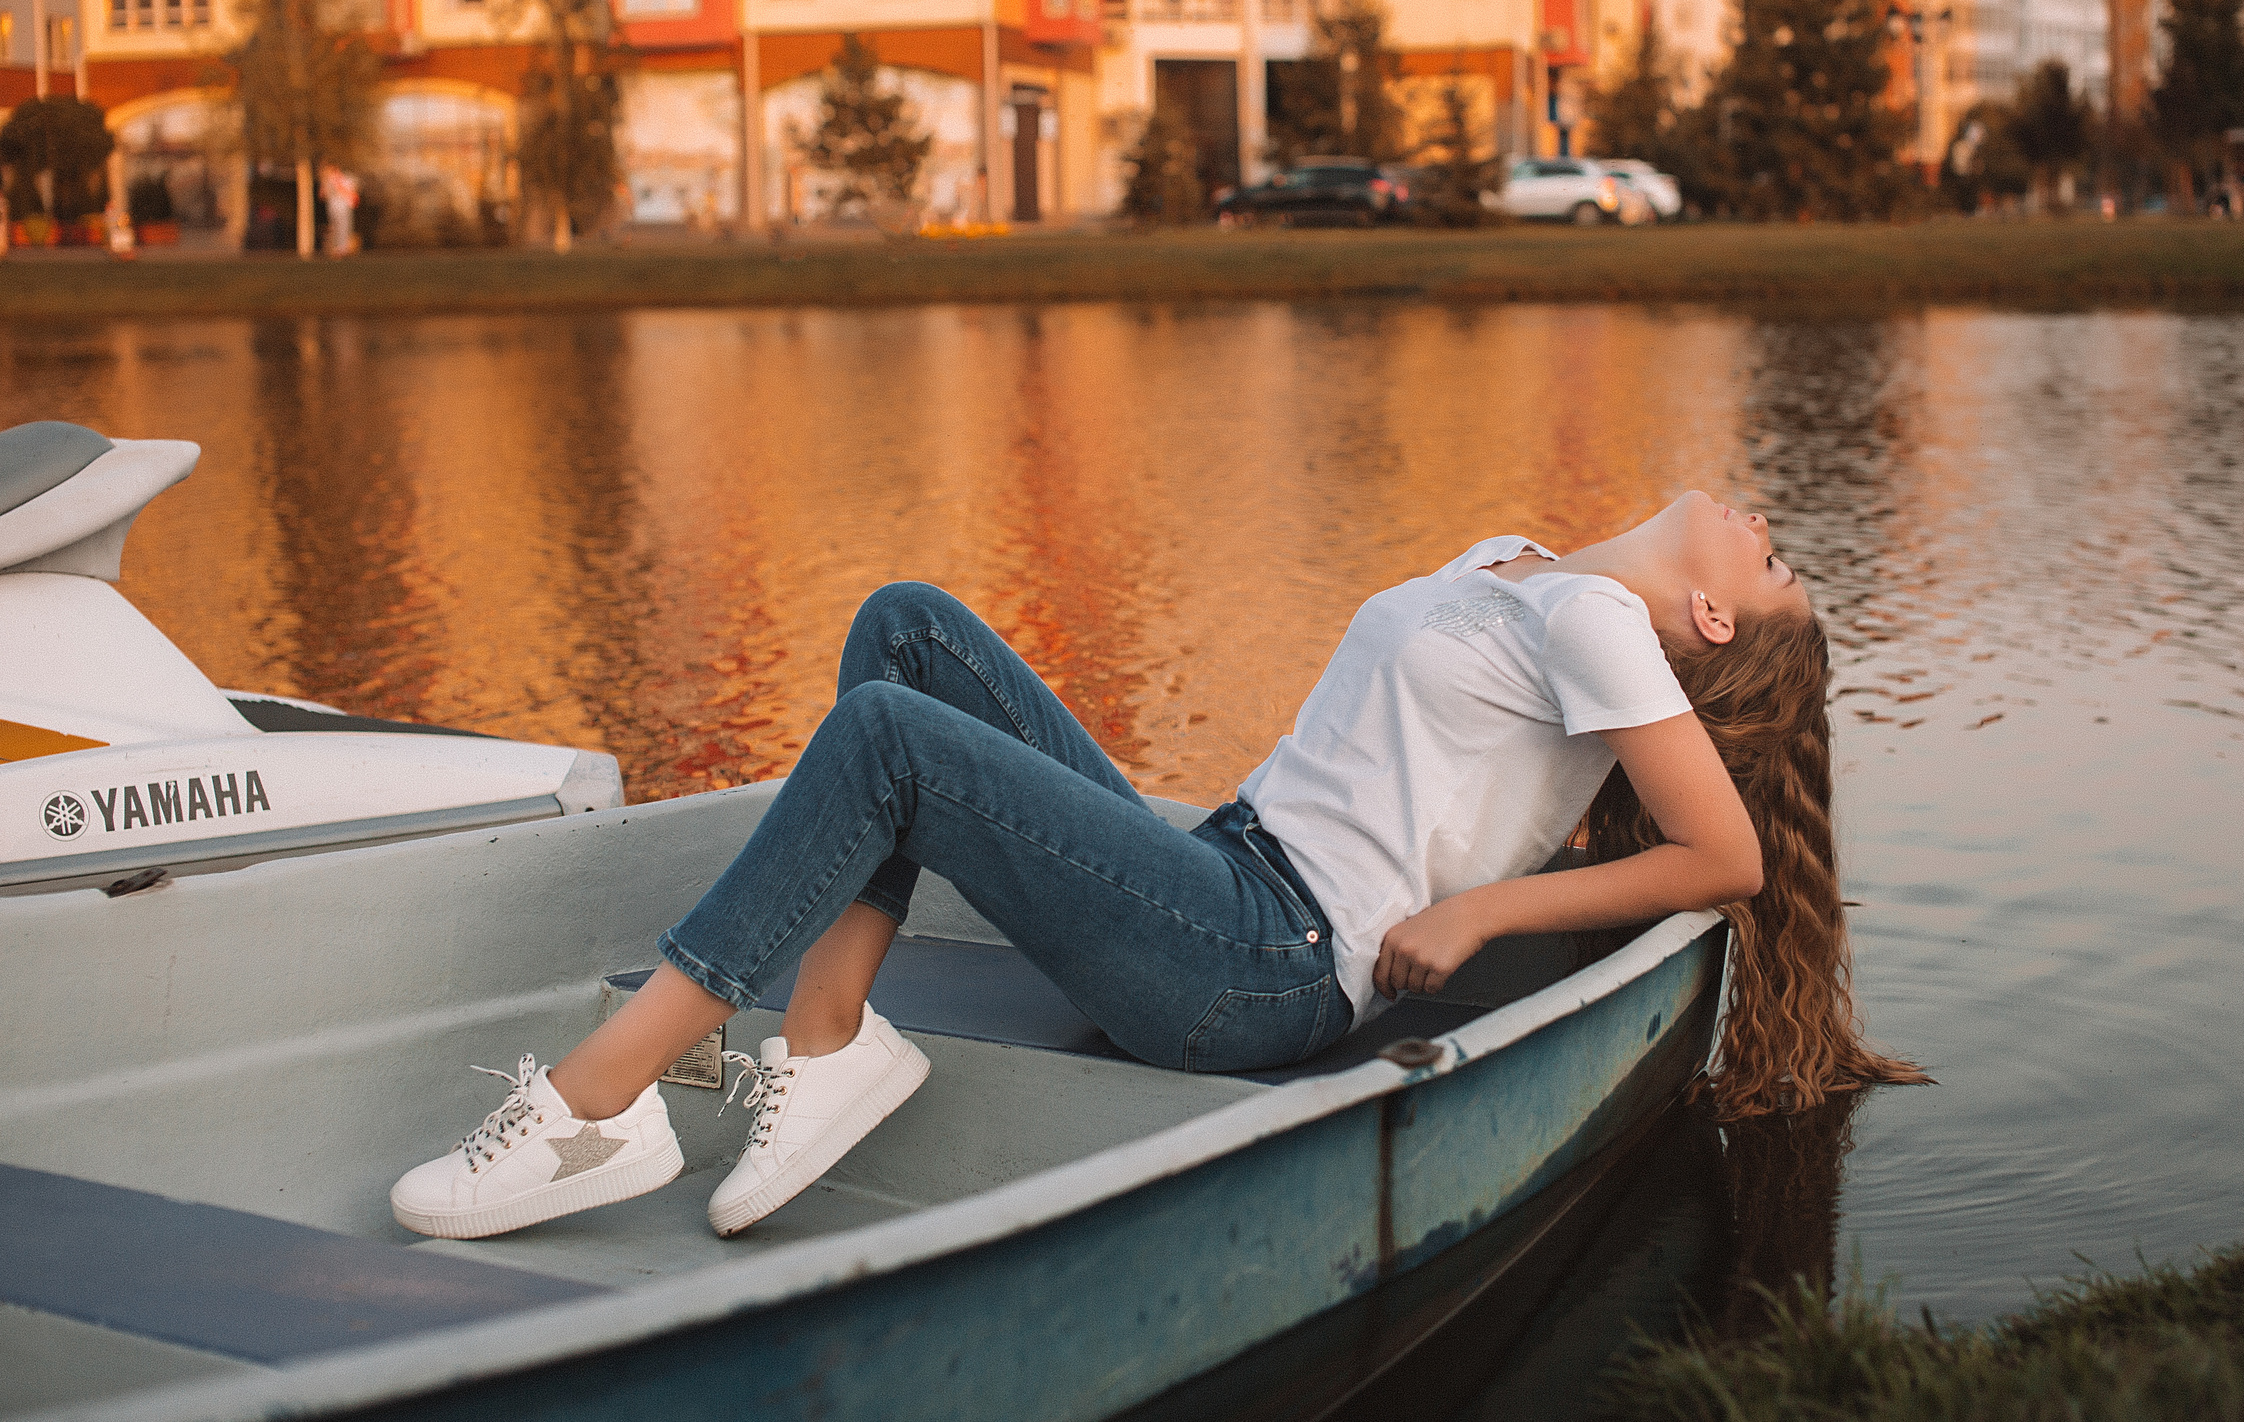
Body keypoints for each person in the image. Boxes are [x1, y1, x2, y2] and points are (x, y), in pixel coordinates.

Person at [390, 493, 1923, 1241]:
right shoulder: (1517, 567)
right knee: (904, 628)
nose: (1767, 528)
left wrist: (1483, 909)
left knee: (885, 738)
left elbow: (1722, 855)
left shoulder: (1601, 629)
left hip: (1265, 966)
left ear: (1714, 626)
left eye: (1773, 566)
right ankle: (830, 1042)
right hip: (1220, 876)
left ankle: (603, 1110)